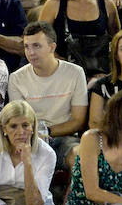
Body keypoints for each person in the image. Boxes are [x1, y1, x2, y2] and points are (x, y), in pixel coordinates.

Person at [8, 22, 88, 162]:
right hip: (29, 138)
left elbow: (78, 120)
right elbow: (18, 119)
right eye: (27, 46)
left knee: (78, 156)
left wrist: (47, 132)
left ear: (52, 47)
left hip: (65, 137)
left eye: (36, 46)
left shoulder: (75, 73)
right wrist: (34, 135)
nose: (31, 52)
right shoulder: (16, 78)